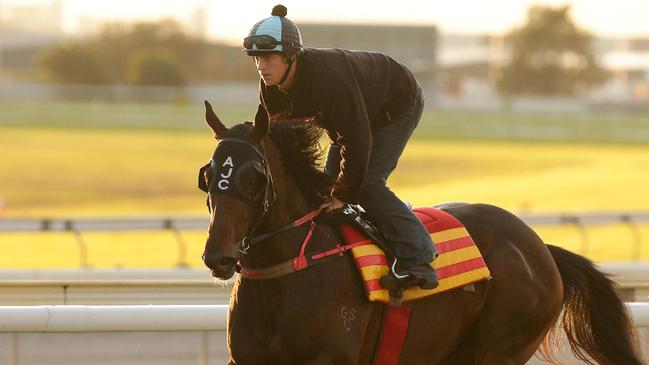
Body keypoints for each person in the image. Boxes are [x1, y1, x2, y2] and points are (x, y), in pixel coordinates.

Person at [243, 4, 438, 290]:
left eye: (269, 58)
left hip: (396, 104)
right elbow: (283, 144)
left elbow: (357, 141)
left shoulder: (328, 79)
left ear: (291, 55)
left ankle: (418, 258)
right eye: (256, 58)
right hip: (357, 114)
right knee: (325, 191)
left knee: (365, 184)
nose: (261, 67)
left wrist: (345, 194)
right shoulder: (270, 88)